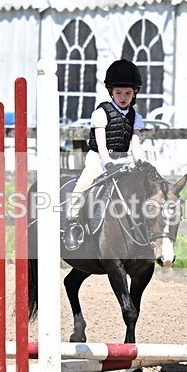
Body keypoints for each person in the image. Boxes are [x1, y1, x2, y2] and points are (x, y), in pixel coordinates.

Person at [63, 58, 147, 251]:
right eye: (119, 93)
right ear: (111, 91)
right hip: (99, 160)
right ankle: (72, 223)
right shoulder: (101, 113)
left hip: (124, 158)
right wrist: (107, 162)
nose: (123, 97)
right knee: (82, 186)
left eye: (128, 93)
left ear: (135, 93)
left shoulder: (135, 117)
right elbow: (101, 143)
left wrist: (143, 163)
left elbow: (135, 143)